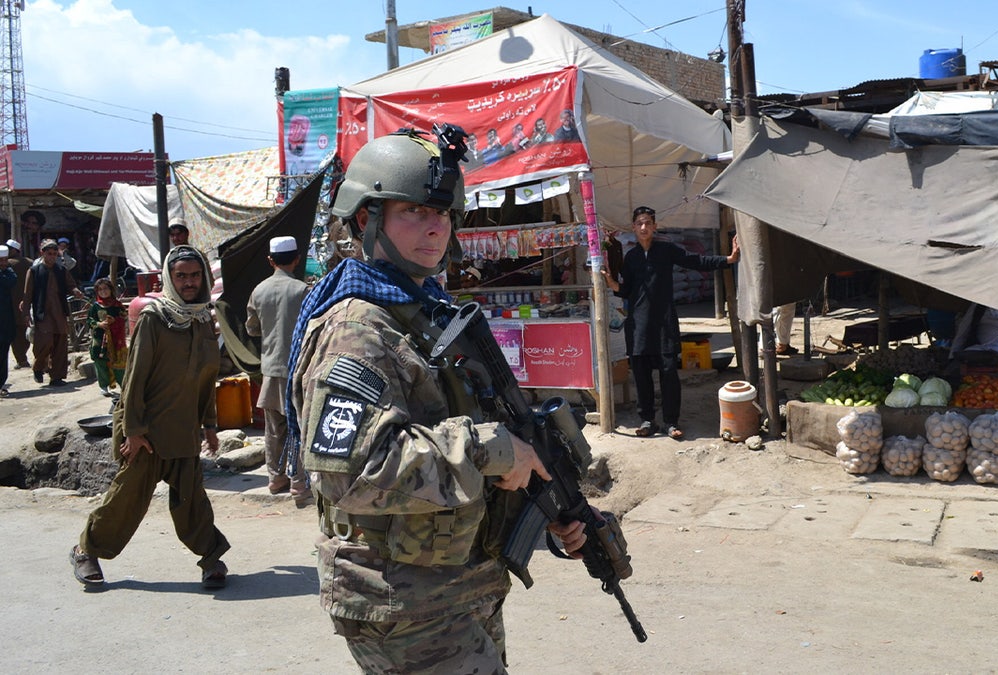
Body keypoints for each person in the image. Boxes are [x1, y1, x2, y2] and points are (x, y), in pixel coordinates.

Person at [286, 129, 588, 672]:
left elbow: (478, 429)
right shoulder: (357, 328)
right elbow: (350, 471)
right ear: (366, 218)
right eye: (412, 211)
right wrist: (495, 450)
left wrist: (546, 505)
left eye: (444, 214)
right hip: (405, 600)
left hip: (460, 581)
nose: (434, 226)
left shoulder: (428, 312)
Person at [69, 245, 231, 589]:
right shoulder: (155, 319)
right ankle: (86, 550)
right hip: (147, 430)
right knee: (127, 500)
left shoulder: (203, 320)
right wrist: (133, 431)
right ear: (169, 279)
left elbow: (206, 379)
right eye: (181, 276)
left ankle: (211, 558)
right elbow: (134, 379)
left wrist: (210, 425)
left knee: (192, 500)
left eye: (194, 275)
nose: (189, 282)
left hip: (184, 429)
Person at [601, 206, 740, 439]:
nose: (644, 227)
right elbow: (626, 291)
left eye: (648, 223)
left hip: (664, 323)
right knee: (642, 375)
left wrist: (728, 259)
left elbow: (696, 261)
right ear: (634, 227)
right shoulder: (631, 258)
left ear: (655, 227)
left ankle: (670, 422)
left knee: (669, 374)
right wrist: (610, 281)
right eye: (639, 223)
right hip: (638, 326)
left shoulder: (666, 250)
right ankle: (647, 420)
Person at [245, 235, 310, 504]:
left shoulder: (258, 291)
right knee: (300, 427)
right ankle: (298, 481)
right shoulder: (303, 290)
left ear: (270, 261)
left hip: (271, 369)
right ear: (296, 259)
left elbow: (252, 328)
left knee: (274, 429)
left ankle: (276, 478)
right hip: (299, 368)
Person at [21, 238, 84, 386]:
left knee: (60, 344)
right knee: (44, 343)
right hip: (43, 312)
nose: (52, 257)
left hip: (60, 311)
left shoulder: (61, 270)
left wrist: (76, 291)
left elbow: (71, 285)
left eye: (55, 254)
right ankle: (38, 367)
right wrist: (25, 313)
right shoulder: (34, 271)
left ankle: (57, 377)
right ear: (42, 253)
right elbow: (27, 293)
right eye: (49, 253)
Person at [87, 277, 128, 398]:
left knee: (119, 362)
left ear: (111, 289)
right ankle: (103, 386)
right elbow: (89, 320)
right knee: (100, 361)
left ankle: (124, 385)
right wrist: (99, 324)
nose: (103, 291)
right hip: (100, 339)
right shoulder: (95, 306)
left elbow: (124, 317)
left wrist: (114, 321)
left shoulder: (117, 305)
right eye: (100, 289)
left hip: (116, 340)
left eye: (105, 288)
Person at [6, 240, 31, 369]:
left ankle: (21, 359)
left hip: (11, 305)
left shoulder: (7, 264)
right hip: (28, 303)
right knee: (26, 331)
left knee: (16, 334)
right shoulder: (30, 262)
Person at [0, 245, 15, 396]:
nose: (3, 263)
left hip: (4, 322)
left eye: (5, 260)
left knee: (3, 354)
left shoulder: (8, 273)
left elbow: (10, 282)